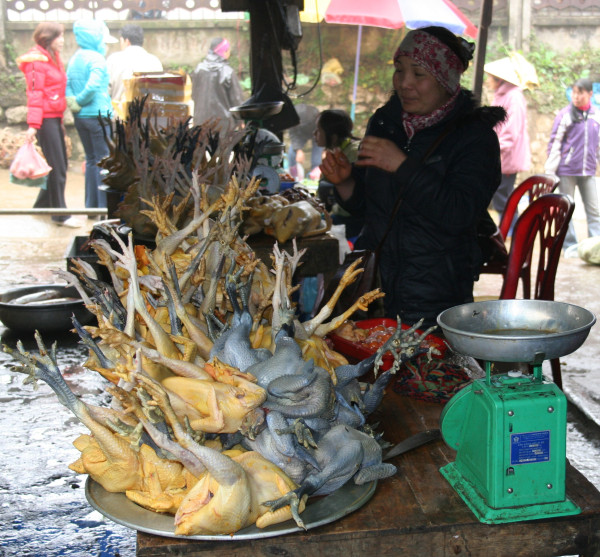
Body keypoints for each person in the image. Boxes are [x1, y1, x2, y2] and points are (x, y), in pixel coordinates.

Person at [320, 26, 505, 329]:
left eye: (419, 74)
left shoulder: (474, 137)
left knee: (425, 372)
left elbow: (460, 213)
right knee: (369, 369)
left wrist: (402, 165)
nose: (404, 83)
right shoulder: (385, 122)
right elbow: (371, 207)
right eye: (399, 69)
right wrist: (346, 182)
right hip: (374, 286)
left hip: (434, 290)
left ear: (445, 79)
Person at [17, 22, 80, 228]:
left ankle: (42, 205)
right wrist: (33, 125)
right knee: (58, 167)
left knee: (56, 164)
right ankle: (60, 214)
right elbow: (35, 94)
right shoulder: (37, 62)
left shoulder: (51, 58)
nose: (62, 40)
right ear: (48, 38)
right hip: (45, 120)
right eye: (59, 36)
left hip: (53, 117)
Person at [66, 20, 116, 213]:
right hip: (98, 116)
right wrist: (81, 99)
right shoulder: (97, 58)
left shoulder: (75, 58)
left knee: (90, 160)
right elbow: (94, 84)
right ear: (96, 38)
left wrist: (74, 103)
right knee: (104, 160)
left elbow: (68, 82)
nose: (105, 45)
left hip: (81, 118)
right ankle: (104, 208)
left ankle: (91, 206)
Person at [545, 77, 600, 251]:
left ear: (590, 94)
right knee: (566, 210)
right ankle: (569, 247)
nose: (576, 97)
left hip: (588, 171)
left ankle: (595, 247)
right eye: (574, 93)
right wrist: (550, 171)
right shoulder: (565, 115)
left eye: (580, 93)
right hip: (567, 170)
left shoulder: (596, 115)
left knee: (594, 211)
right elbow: (555, 143)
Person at [484, 58, 531, 232]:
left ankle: (511, 229)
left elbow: (511, 131)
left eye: (490, 77)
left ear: (500, 79)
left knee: (502, 194)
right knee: (501, 194)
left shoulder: (514, 97)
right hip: (501, 154)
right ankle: (510, 228)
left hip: (506, 156)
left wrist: (494, 147)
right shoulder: (503, 95)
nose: (488, 81)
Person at [314, 109, 364, 240]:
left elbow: (356, 201)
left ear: (333, 135)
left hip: (353, 220)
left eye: (318, 130)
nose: (314, 134)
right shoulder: (338, 151)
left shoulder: (352, 153)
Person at [191, 37, 244, 131]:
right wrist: (241, 122)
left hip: (201, 122)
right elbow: (236, 100)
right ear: (224, 51)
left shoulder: (199, 69)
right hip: (223, 124)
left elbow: (194, 95)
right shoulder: (227, 71)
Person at [106, 24, 163, 106]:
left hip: (119, 113)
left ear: (127, 41)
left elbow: (107, 89)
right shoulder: (155, 61)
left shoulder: (113, 59)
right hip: (146, 113)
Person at [286, 103, 324, 180]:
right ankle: (293, 176)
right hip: (300, 135)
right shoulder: (292, 117)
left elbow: (323, 132)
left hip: (316, 133)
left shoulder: (315, 116)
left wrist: (325, 149)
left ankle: (315, 175)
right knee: (292, 152)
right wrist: (298, 150)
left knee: (317, 155)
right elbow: (293, 134)